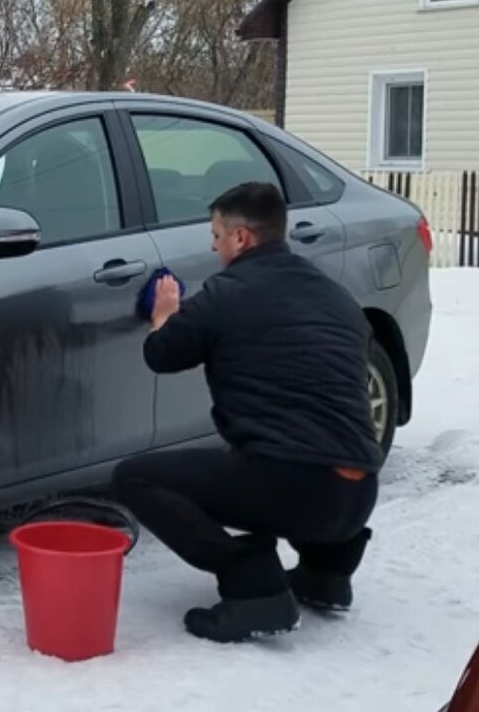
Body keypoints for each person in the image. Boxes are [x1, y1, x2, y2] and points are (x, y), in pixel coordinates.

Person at [110, 181, 384, 643]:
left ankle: (252, 584)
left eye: (216, 237)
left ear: (241, 238)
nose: (214, 248)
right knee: (289, 453)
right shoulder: (335, 297)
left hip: (295, 487)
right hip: (357, 495)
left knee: (134, 477)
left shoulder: (228, 292)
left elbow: (163, 355)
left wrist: (165, 317)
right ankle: (326, 574)